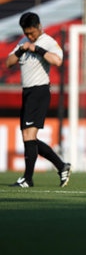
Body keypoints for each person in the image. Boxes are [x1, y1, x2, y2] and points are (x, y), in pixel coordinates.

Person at [6, 12, 71, 188]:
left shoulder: (48, 41)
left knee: (29, 136)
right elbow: (8, 62)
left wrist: (38, 49)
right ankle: (61, 166)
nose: (29, 36)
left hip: (39, 91)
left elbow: (57, 60)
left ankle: (28, 179)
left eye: (32, 33)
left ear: (39, 26)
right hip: (27, 93)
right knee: (28, 138)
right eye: (26, 33)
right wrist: (21, 49)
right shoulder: (23, 42)